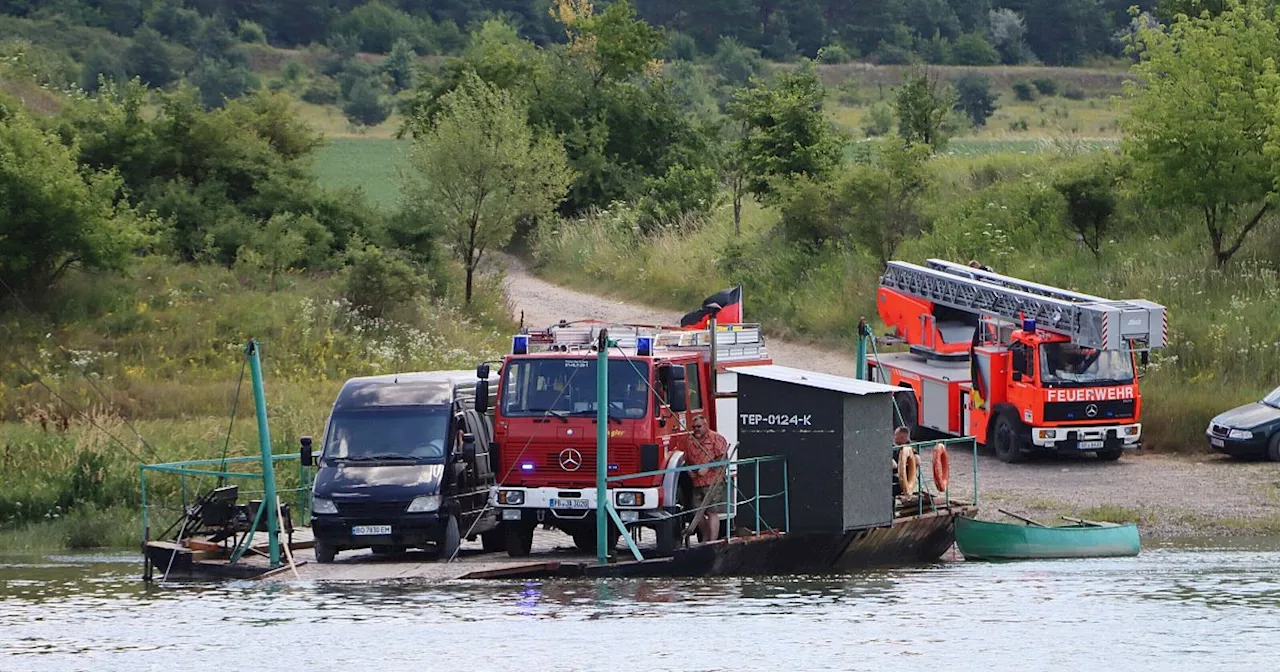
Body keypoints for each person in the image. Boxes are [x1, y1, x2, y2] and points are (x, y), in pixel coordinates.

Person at [686, 413, 729, 543]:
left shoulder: (716, 438)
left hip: (713, 481)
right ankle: (705, 537)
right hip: (697, 482)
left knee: (711, 512)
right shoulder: (689, 440)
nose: (696, 429)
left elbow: (723, 458)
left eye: (699, 426)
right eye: (694, 427)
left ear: (705, 425)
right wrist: (688, 470)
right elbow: (686, 459)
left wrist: (708, 467)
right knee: (696, 513)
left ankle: (712, 541)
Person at [892, 426, 910, 497]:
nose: (894, 437)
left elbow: (917, 460)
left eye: (896, 435)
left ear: (902, 438)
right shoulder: (896, 447)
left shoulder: (909, 449)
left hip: (901, 481)